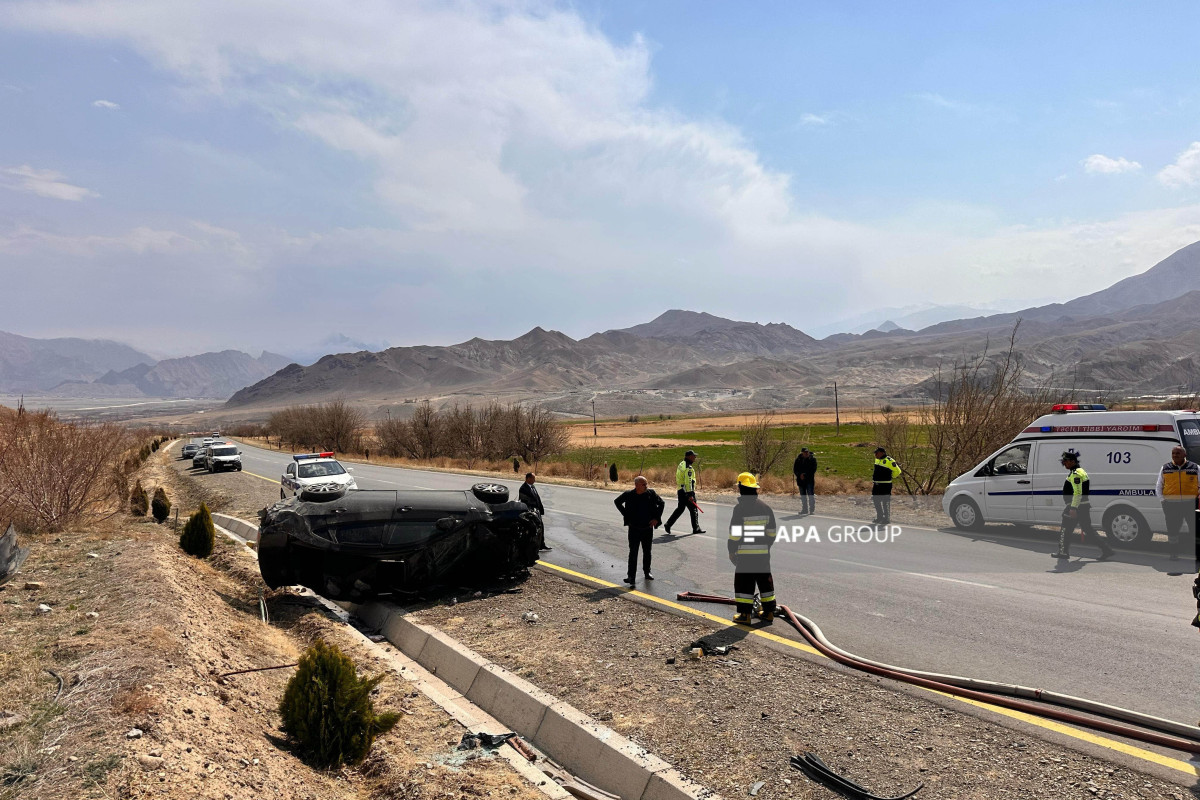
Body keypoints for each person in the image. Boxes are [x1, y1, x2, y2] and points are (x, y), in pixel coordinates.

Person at [728, 472, 777, 625]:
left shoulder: (740, 509)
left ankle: (745, 615)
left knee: (744, 584)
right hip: (762, 555)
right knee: (765, 583)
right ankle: (769, 613)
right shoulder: (765, 508)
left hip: (746, 556)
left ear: (741, 488)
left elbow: (735, 534)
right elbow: (772, 533)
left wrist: (731, 550)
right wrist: (765, 547)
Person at [1051, 449, 1114, 561]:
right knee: (1088, 530)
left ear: (1072, 461)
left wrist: (1073, 508)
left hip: (1076, 506)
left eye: (1065, 461)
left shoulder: (1076, 474)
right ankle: (1106, 550)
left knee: (1065, 530)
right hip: (1082, 506)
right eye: (1063, 462)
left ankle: (1063, 552)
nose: (1064, 464)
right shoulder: (1079, 471)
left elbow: (1078, 492)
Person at [614, 476, 665, 585]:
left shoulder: (651, 494)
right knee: (633, 552)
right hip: (634, 529)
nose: (646, 486)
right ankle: (631, 576)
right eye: (644, 484)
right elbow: (617, 502)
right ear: (636, 485)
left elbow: (661, 503)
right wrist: (626, 514)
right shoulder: (629, 495)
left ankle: (647, 572)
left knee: (647, 552)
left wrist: (656, 518)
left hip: (647, 528)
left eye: (646, 484)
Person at [1156, 446, 1199, 564]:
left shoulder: (1195, 468)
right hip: (1171, 505)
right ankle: (1173, 552)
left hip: (1191, 504)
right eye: (1173, 453)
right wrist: (1163, 501)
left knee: (1194, 530)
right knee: (1173, 530)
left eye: (1178, 453)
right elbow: (1159, 486)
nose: (1175, 455)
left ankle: (1195, 553)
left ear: (1184, 455)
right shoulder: (1165, 468)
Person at [664, 450, 704, 534]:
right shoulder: (688, 467)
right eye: (693, 456)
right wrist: (690, 494)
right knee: (693, 509)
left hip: (681, 490)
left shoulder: (681, 464)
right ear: (688, 457)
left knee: (680, 509)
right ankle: (696, 528)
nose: (695, 458)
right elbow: (688, 481)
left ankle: (668, 524)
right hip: (687, 491)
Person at [871, 447, 902, 525]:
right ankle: (879, 517)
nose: (875, 455)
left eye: (877, 453)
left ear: (882, 453)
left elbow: (898, 471)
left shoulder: (889, 461)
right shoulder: (877, 460)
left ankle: (886, 518)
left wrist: (891, 476)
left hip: (885, 484)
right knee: (876, 501)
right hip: (876, 484)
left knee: (885, 502)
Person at [518, 473, 549, 551]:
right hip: (530, 512)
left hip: (537, 510)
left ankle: (542, 544)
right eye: (533, 478)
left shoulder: (533, 487)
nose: (534, 480)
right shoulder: (523, 488)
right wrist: (533, 508)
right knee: (534, 528)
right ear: (528, 479)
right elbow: (525, 500)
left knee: (541, 526)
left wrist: (540, 508)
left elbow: (537, 498)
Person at [793, 447, 818, 515]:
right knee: (803, 496)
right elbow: (795, 469)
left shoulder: (812, 460)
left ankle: (812, 510)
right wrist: (799, 475)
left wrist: (805, 475)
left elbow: (813, 469)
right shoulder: (798, 460)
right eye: (805, 452)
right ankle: (804, 510)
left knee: (811, 495)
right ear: (802, 453)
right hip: (801, 481)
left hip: (809, 480)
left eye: (807, 452)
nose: (806, 453)